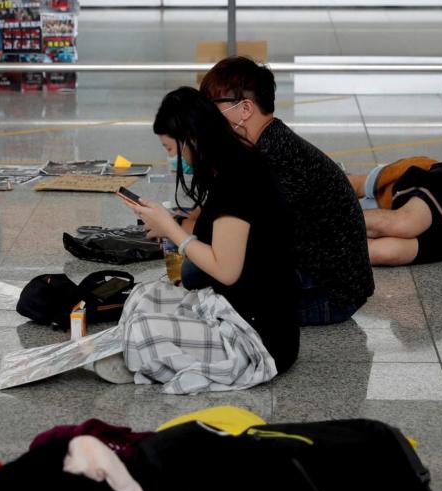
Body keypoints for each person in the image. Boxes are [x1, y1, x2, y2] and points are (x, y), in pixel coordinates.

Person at [104, 88, 300, 392]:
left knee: (145, 328)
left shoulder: (238, 182)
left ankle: (140, 355)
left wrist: (171, 228)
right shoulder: (234, 165)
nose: (174, 159)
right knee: (142, 297)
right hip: (233, 306)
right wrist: (169, 224)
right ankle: (139, 355)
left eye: (172, 149)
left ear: (192, 138)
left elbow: (226, 270)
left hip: (255, 334)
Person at [198, 57, 373, 325]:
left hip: (330, 297)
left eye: (211, 107)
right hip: (332, 282)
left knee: (200, 274)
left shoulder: (272, 156)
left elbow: (238, 236)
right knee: (200, 265)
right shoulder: (273, 140)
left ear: (245, 108)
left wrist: (179, 230)